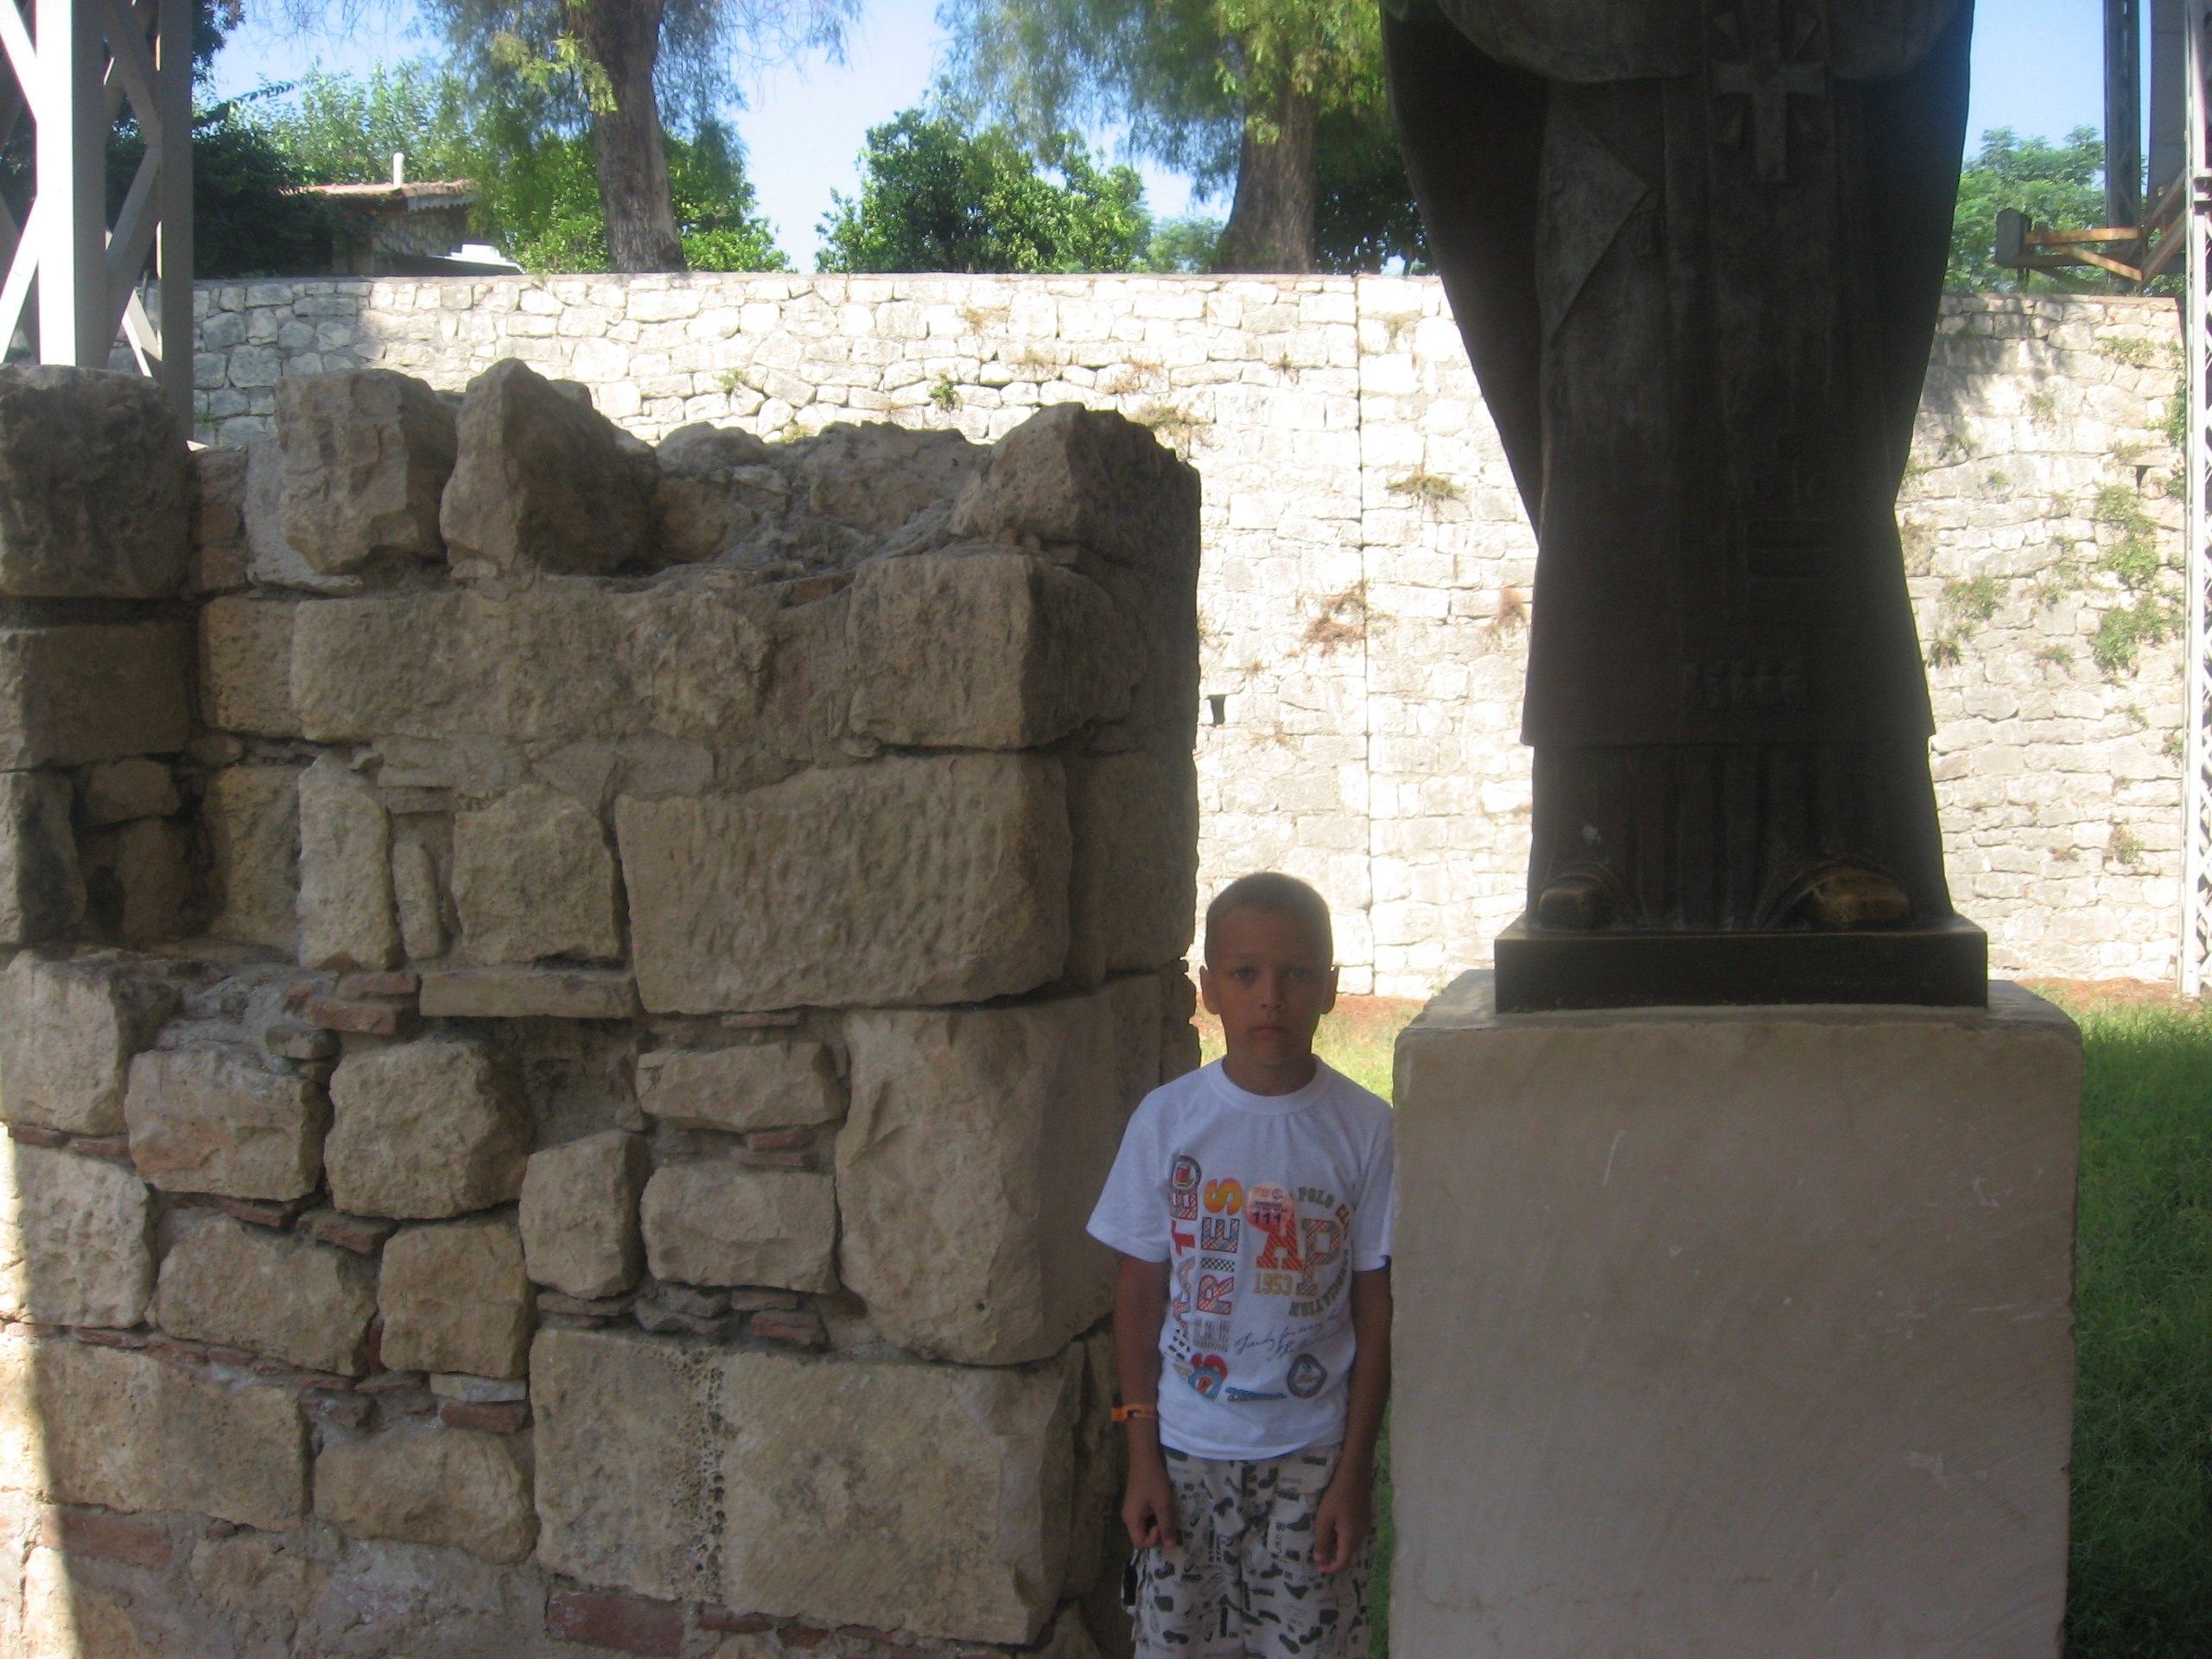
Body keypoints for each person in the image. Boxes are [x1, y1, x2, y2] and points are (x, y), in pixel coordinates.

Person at [1087, 872, 1395, 1658]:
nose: (1271, 998)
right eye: (1245, 973)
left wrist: (1355, 1471)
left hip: (1314, 1455)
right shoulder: (1168, 1122)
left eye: (1297, 974)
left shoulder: (1366, 1129)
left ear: (1330, 987)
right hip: (1187, 1454)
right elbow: (1139, 1294)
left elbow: (1375, 1306)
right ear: (1208, 988)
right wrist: (1142, 1454)